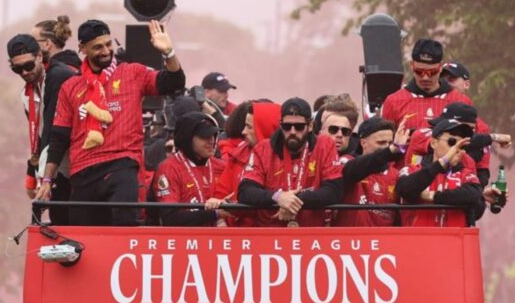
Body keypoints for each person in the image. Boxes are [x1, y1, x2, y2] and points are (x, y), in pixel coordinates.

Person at [39, 19, 185, 226]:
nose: (106, 51)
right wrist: (47, 180)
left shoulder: (132, 73)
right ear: (82, 48)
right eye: (97, 47)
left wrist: (168, 53)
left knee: (123, 224)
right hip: (82, 171)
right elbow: (59, 138)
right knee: (83, 235)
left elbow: (175, 82)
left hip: (122, 163)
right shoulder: (70, 87)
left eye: (108, 44)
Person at [237, 97, 344, 227]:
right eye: (287, 126)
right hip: (271, 232)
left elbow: (334, 191)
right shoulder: (263, 149)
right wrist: (278, 197)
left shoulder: (325, 145)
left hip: (311, 232)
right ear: (280, 125)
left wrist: (293, 202)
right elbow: (245, 191)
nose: (292, 132)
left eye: (299, 127)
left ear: (310, 126)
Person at [7, 33, 76, 225]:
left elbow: (55, 132)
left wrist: (45, 178)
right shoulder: (27, 94)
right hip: (58, 169)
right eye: (17, 69)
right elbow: (38, 134)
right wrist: (33, 170)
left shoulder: (58, 77)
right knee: (59, 225)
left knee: (77, 227)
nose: (24, 73)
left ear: (39, 56)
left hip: (79, 166)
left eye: (28, 66)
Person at [396, 118, 494, 227]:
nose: (456, 149)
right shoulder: (411, 170)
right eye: (452, 142)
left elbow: (473, 195)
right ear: (433, 143)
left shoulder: (467, 174)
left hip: (454, 237)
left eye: (462, 145)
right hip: (418, 237)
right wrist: (442, 163)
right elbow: (405, 189)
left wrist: (432, 196)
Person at [152, 112, 229, 226]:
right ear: (187, 138)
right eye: (204, 136)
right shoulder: (169, 169)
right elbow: (171, 218)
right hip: (184, 236)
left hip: (220, 235)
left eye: (214, 134)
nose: (211, 140)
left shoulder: (222, 166)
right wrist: (215, 213)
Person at [334, 117, 410, 226]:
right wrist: (391, 149)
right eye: (381, 142)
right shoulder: (346, 162)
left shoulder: (395, 175)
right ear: (363, 142)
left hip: (383, 236)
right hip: (352, 236)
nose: (386, 147)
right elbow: (354, 170)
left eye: (390, 143)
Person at [382, 39, 472, 130]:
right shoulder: (393, 102)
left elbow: (476, 134)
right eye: (419, 71)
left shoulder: (461, 101)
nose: (425, 77)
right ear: (412, 65)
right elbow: (383, 137)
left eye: (432, 72)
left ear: (440, 67)